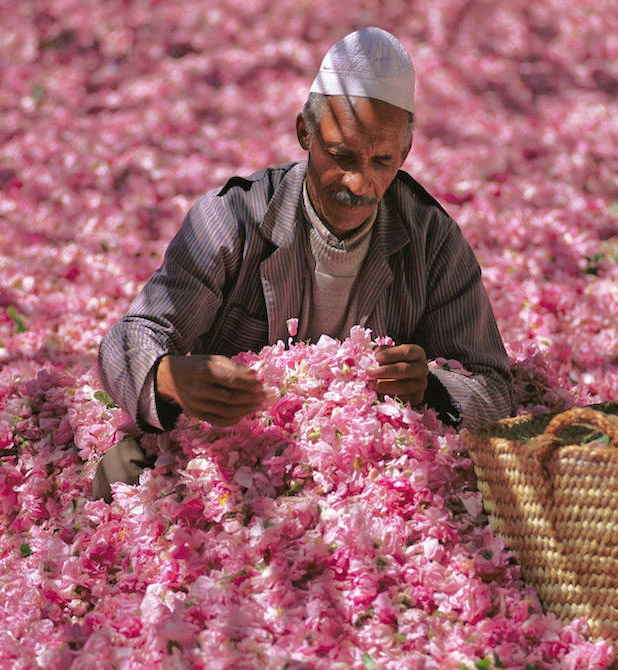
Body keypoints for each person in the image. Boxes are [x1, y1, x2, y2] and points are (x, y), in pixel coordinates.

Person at [93, 27, 513, 501]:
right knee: (125, 472)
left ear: (406, 153)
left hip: (366, 483)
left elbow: (495, 388)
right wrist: (169, 377)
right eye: (341, 155)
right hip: (229, 463)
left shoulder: (433, 241)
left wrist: (431, 388)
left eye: (381, 161)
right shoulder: (234, 218)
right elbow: (127, 338)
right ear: (303, 132)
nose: (358, 183)